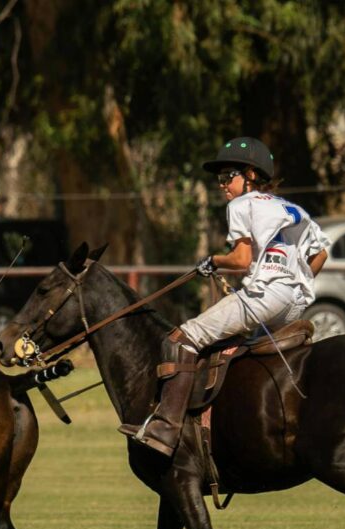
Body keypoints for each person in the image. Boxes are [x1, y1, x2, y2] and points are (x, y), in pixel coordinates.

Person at [119, 137, 329, 457]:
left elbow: (241, 260)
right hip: (294, 304)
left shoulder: (241, 205)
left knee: (180, 339)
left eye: (227, 176)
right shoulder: (289, 208)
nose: (222, 186)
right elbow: (321, 253)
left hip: (263, 297)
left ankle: (165, 426)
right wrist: (296, 282)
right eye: (220, 179)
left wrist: (214, 261)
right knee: (231, 351)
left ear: (251, 175)